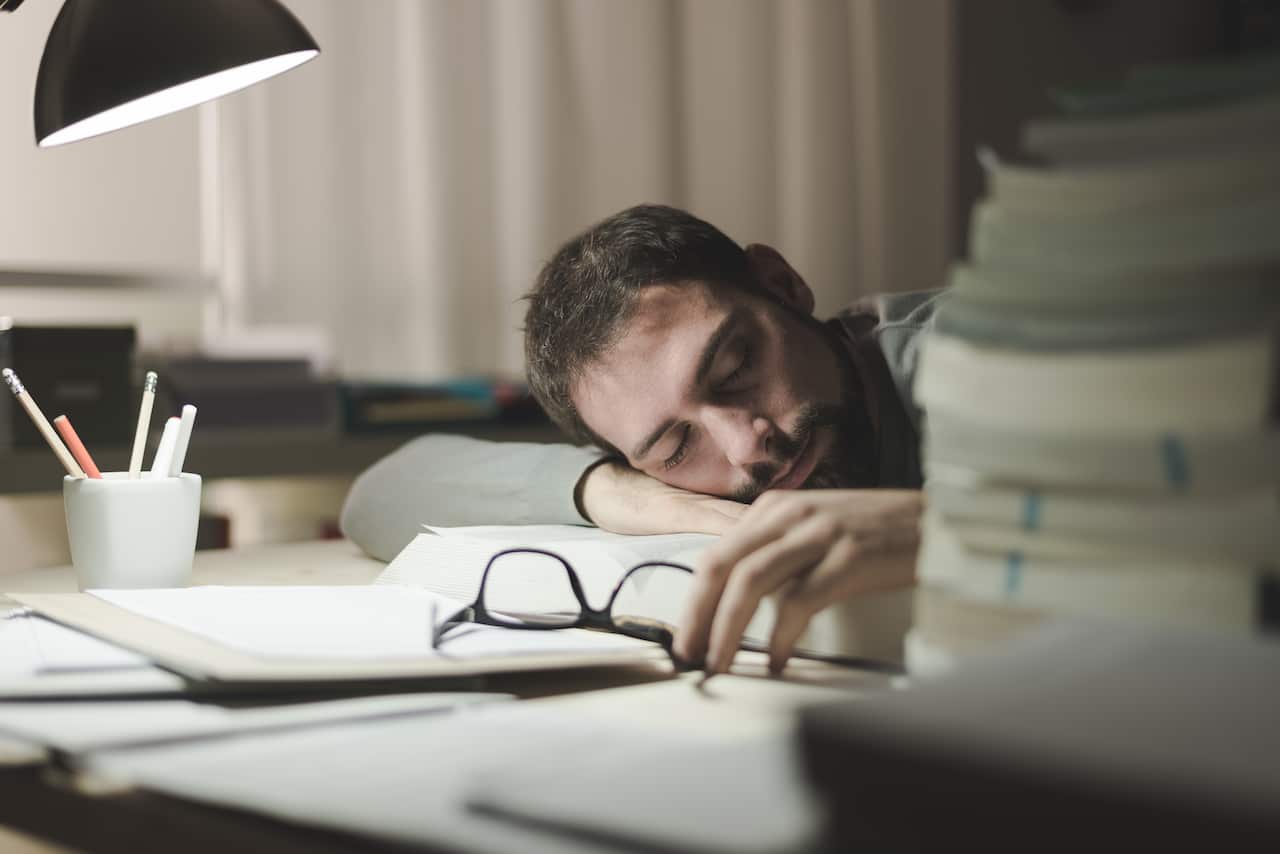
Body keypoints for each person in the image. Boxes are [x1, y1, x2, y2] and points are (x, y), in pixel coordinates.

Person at [341, 204, 938, 675]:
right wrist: (624, 494)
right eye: (676, 449)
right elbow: (378, 493)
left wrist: (930, 526)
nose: (745, 447)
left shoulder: (987, 360)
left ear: (782, 286)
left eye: (735, 370)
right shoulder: (663, 481)